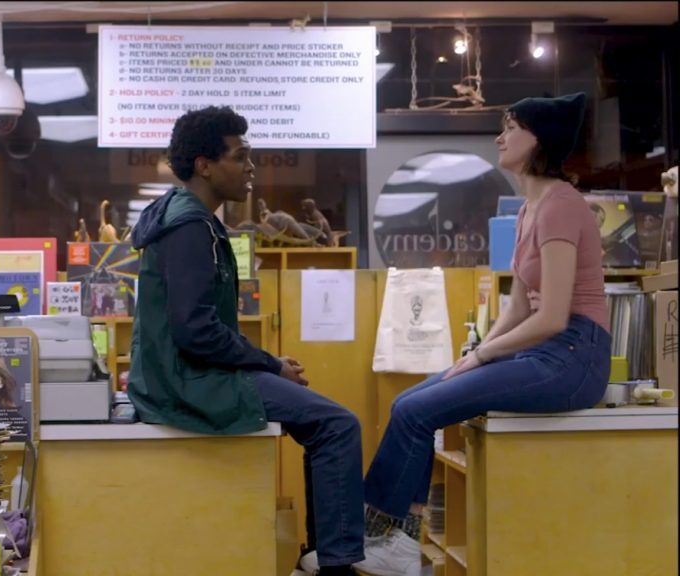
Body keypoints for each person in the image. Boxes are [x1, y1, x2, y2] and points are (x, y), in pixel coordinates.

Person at [355, 92, 610, 576]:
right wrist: (477, 352)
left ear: (540, 141)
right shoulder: (528, 211)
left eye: (511, 127)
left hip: (575, 356)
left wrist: (484, 354)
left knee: (415, 409)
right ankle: (394, 539)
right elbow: (518, 304)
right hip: (549, 351)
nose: (500, 136)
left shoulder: (560, 205)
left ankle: (388, 539)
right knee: (407, 404)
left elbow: (553, 315)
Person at [126, 105, 364, 576]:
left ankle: (324, 554)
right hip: (187, 382)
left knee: (319, 419)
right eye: (241, 155)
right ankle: (335, 564)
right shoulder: (190, 226)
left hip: (180, 374)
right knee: (339, 425)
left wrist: (266, 363)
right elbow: (195, 332)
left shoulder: (189, 218)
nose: (251, 167)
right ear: (205, 164)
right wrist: (270, 366)